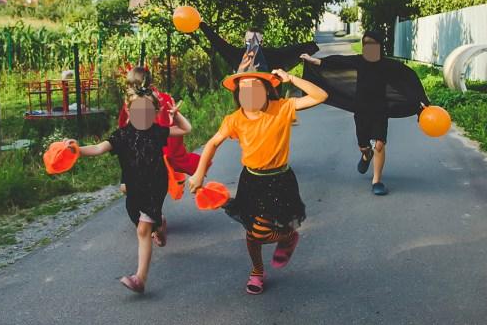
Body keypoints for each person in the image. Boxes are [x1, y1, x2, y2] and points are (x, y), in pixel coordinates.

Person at [188, 35, 327, 295]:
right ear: (238, 93)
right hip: (251, 179)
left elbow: (320, 96)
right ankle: (257, 270)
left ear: (267, 88)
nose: (250, 93)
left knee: (262, 232)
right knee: (253, 234)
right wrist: (198, 174)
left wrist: (292, 78)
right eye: (244, 89)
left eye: (256, 87)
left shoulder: (283, 108)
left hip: (280, 180)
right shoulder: (234, 119)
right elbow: (211, 144)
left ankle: (287, 237)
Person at [66, 82, 192, 293]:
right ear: (128, 110)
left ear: (154, 113)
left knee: (143, 230)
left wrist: (176, 115)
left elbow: (186, 129)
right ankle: (160, 226)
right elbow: (98, 148)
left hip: (155, 185)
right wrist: (77, 150)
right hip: (134, 188)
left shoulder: (157, 131)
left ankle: (140, 278)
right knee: (144, 222)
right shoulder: (121, 135)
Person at [301, 30, 430, 196]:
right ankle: (365, 155)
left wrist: (421, 100)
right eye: (366, 45)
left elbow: (408, 78)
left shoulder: (387, 65)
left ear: (379, 46)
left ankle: (377, 180)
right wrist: (314, 60)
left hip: (380, 110)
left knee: (380, 144)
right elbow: (338, 61)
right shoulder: (359, 61)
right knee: (364, 145)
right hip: (361, 109)